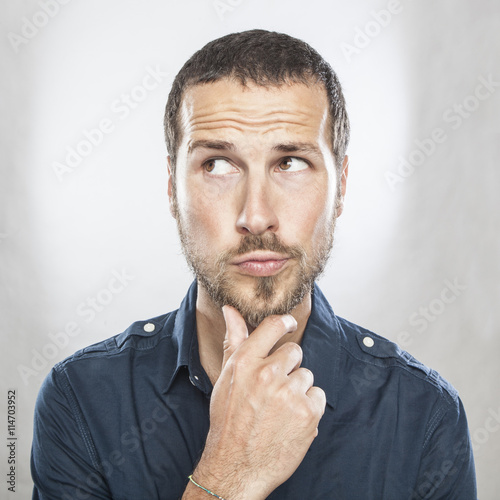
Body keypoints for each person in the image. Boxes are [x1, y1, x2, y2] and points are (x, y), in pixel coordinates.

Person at [31, 30, 477, 500]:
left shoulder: (425, 414)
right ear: (171, 189)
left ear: (341, 186)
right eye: (218, 165)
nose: (256, 216)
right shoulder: (80, 399)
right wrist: (229, 474)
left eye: (290, 163)